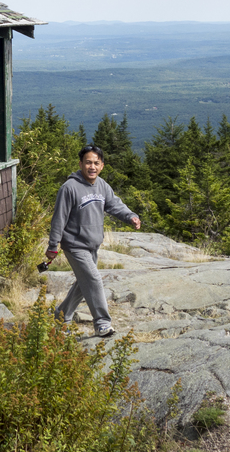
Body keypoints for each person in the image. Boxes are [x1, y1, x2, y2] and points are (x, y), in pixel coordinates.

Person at [46, 144, 141, 337]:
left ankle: (61, 316)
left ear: (102, 165)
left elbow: (115, 204)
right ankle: (102, 323)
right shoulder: (69, 188)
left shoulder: (102, 185)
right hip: (74, 245)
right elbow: (59, 218)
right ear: (80, 164)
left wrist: (130, 216)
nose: (92, 167)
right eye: (88, 162)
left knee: (84, 284)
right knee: (94, 280)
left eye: (96, 163)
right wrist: (53, 245)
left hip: (93, 245)